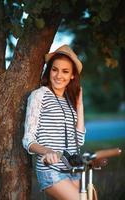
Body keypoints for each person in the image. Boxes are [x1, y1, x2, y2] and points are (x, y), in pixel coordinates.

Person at [22, 44, 86, 200]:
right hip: (51, 169)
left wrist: (79, 105)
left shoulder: (69, 102)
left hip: (74, 169)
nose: (59, 76)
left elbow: (80, 140)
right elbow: (28, 140)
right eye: (55, 69)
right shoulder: (39, 95)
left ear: (72, 76)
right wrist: (47, 151)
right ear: (49, 71)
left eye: (65, 71)